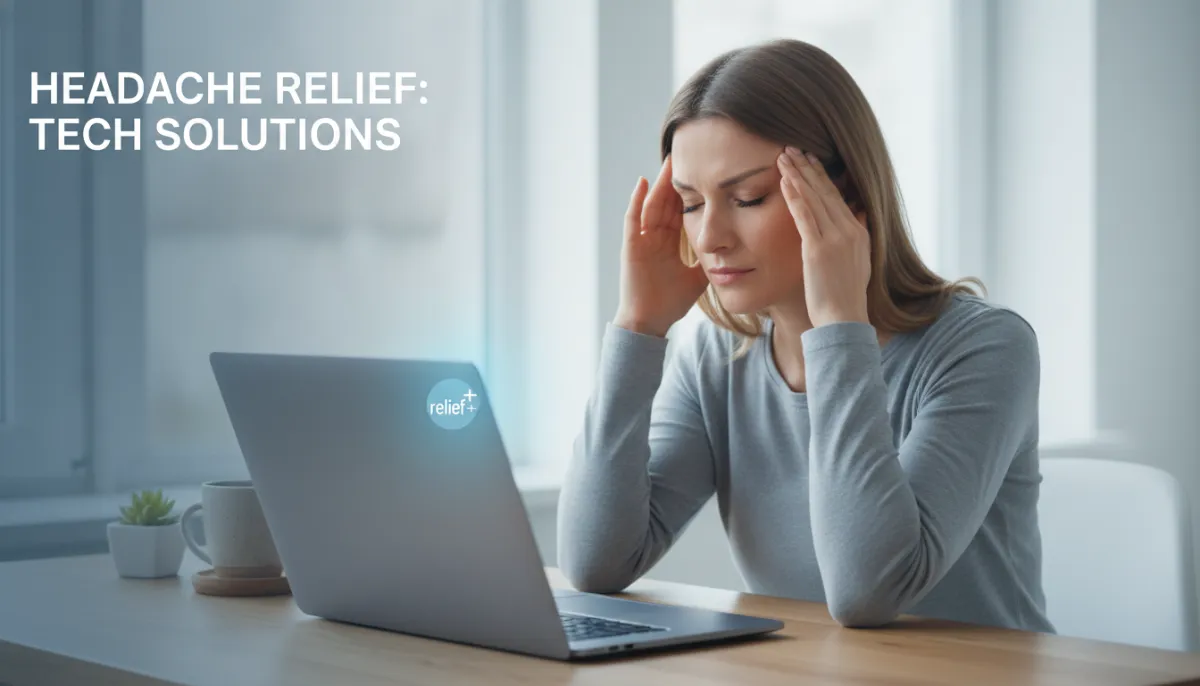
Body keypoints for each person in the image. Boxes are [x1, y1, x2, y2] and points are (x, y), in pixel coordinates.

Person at [556, 38, 1054, 633]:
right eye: (690, 203)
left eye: (748, 197)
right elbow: (595, 562)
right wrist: (638, 326)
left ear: (845, 196)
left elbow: (869, 592)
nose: (710, 236)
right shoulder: (718, 358)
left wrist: (840, 326)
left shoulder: (984, 349)